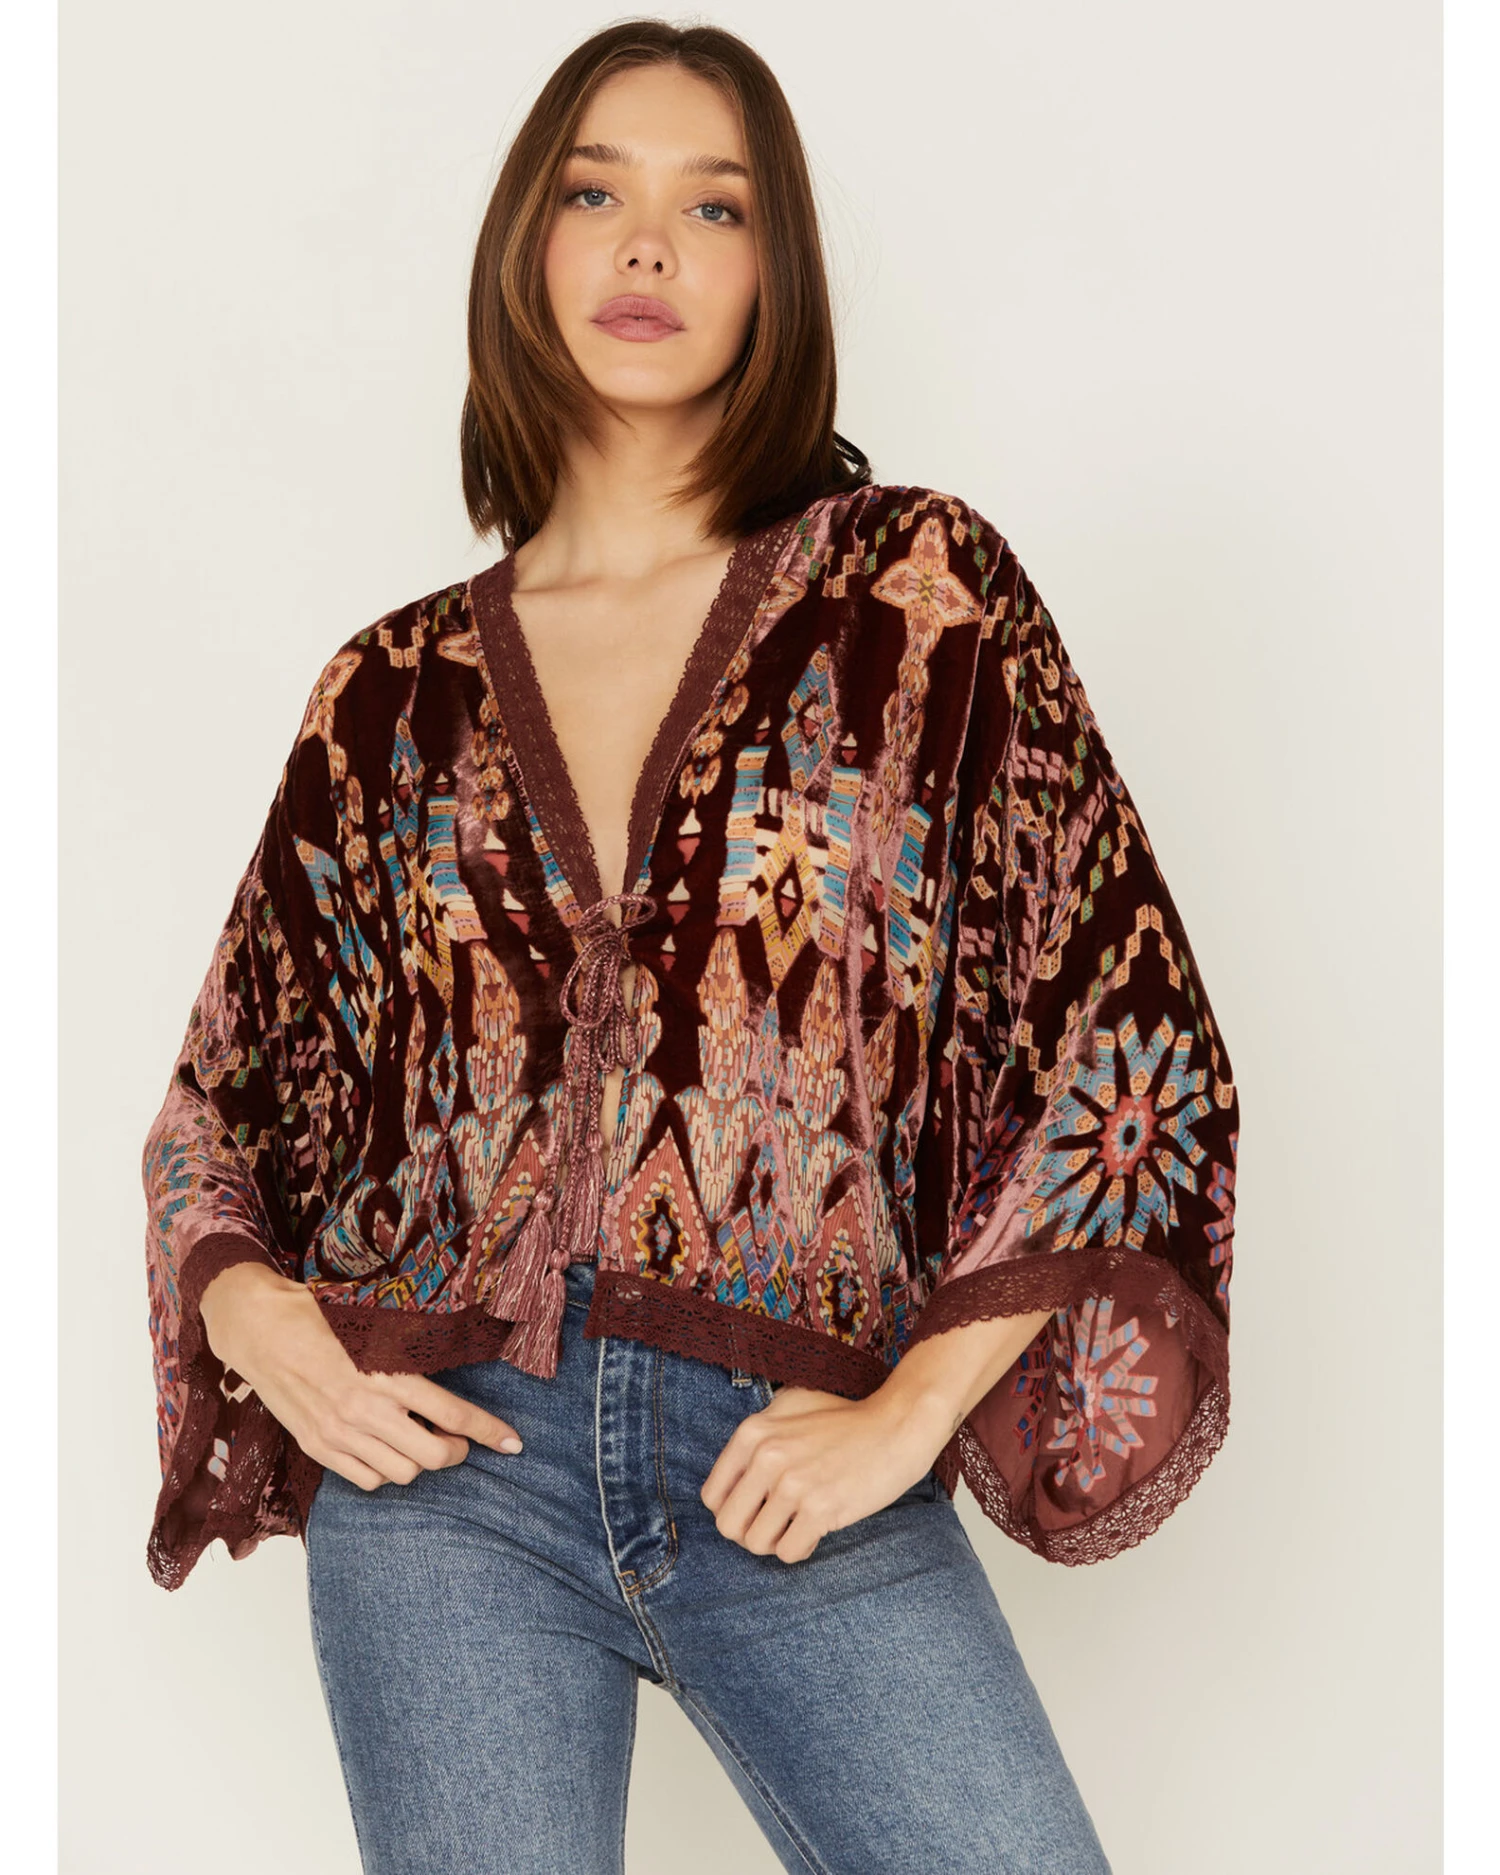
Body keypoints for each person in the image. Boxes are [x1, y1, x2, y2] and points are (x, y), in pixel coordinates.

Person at [140, 19, 1239, 1874]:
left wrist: (911, 1412)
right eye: (597, 193)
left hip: (792, 1451)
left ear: (771, 273)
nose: (647, 243)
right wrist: (266, 1324)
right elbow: (214, 1105)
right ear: (528, 245)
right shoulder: (388, 694)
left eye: (712, 206)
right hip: (449, 1485)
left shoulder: (918, 601)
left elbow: (1130, 1036)